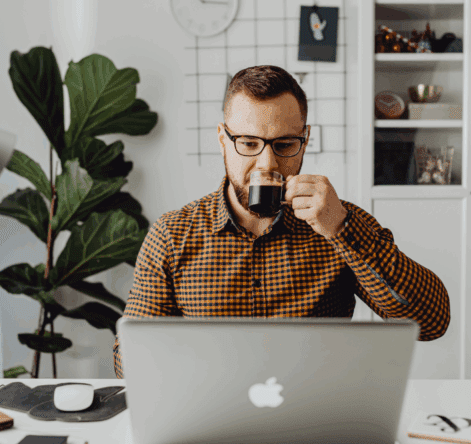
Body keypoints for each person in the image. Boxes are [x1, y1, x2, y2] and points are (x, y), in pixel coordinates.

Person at [112, 65, 449, 378]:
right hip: (212, 417)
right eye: (248, 143)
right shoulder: (173, 234)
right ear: (222, 140)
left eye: (285, 144)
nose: (267, 164)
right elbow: (129, 363)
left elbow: (431, 322)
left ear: (304, 141)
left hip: (315, 422)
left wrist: (344, 230)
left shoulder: (338, 222)